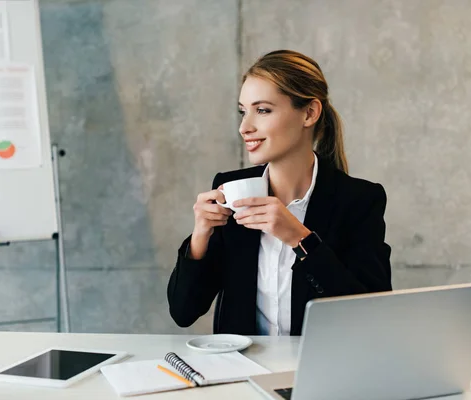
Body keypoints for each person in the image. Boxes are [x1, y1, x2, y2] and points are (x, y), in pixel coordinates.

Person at [167, 50, 392, 336]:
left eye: (262, 110)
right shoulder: (230, 190)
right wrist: (200, 236)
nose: (244, 127)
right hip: (244, 371)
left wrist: (300, 239)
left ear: (309, 113)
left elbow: (372, 317)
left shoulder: (358, 200)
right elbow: (183, 312)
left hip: (316, 371)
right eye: (243, 111)